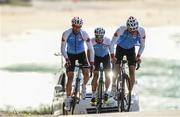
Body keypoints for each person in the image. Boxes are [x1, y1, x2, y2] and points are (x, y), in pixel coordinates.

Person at [61, 17, 94, 110]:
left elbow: (91, 48)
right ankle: (68, 99)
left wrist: (91, 62)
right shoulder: (66, 33)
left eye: (79, 27)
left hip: (81, 54)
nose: (77, 28)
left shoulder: (84, 34)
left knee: (86, 73)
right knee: (70, 76)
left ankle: (83, 87)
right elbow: (62, 48)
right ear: (72, 26)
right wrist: (67, 59)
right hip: (70, 55)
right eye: (75, 26)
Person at [110, 16, 146, 96]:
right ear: (127, 27)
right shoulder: (121, 29)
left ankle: (129, 92)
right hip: (120, 48)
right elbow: (112, 43)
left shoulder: (141, 31)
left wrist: (138, 56)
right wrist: (112, 56)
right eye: (131, 30)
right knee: (116, 67)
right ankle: (113, 84)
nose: (133, 32)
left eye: (134, 30)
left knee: (132, 71)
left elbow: (142, 45)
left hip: (131, 49)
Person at [90, 27, 111, 105]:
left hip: (106, 57)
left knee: (108, 76)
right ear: (95, 35)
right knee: (95, 75)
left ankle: (106, 93)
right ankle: (93, 96)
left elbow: (112, 50)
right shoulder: (91, 41)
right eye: (97, 36)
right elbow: (88, 52)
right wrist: (90, 63)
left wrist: (113, 58)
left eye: (101, 37)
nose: (99, 38)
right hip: (96, 57)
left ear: (103, 36)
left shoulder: (108, 40)